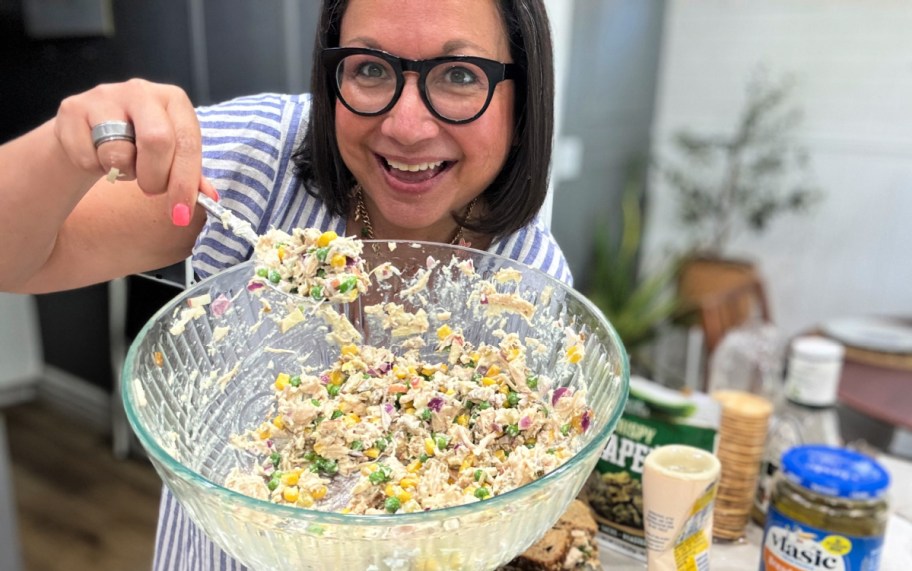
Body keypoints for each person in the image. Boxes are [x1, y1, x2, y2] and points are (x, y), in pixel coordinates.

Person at [0, 0, 572, 568]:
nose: (406, 126)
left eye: (459, 76)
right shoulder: (263, 159)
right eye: (369, 68)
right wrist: (63, 149)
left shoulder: (533, 286)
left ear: (522, 100)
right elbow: (18, 260)